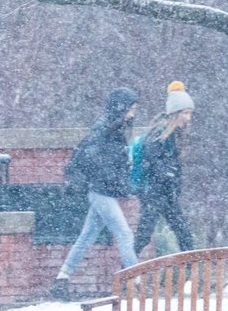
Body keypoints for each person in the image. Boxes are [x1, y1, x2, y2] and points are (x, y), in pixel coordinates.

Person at [51, 87, 140, 299]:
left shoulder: (112, 130)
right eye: (131, 109)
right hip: (101, 192)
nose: (133, 113)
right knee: (124, 233)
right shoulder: (106, 131)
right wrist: (112, 178)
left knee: (87, 236)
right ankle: (137, 280)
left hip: (102, 190)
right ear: (121, 108)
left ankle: (62, 276)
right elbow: (96, 161)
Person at [133, 80, 195, 255]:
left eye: (190, 113)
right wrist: (168, 174)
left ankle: (192, 273)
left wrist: (173, 181)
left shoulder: (175, 134)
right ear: (175, 113)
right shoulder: (159, 134)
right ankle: (125, 272)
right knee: (144, 236)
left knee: (183, 234)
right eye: (185, 113)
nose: (188, 118)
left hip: (166, 193)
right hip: (154, 193)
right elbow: (152, 161)